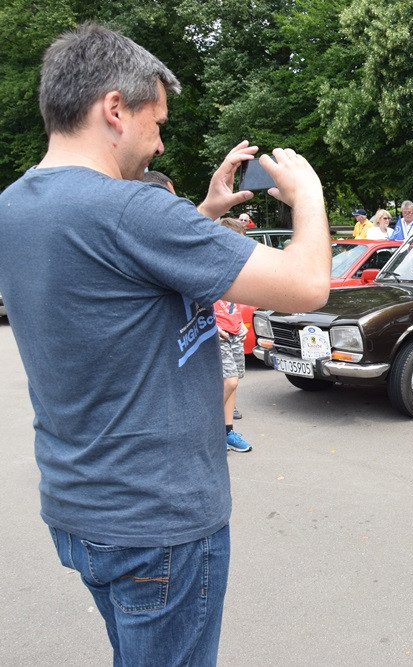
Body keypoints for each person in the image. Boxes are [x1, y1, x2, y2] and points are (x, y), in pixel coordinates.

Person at [0, 23, 331, 665]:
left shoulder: (16, 207)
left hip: (80, 507)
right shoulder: (133, 211)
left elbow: (115, 281)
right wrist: (308, 197)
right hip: (159, 523)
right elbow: (309, 283)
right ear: (114, 109)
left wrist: (204, 212)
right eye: (156, 123)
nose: (158, 143)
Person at [216, 217, 252, 451]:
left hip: (234, 331)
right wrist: (211, 326)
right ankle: (208, 426)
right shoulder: (209, 266)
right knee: (229, 381)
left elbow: (233, 303)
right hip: (217, 333)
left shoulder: (235, 267)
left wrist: (239, 324)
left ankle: (227, 432)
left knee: (234, 382)